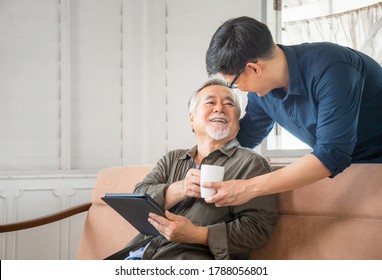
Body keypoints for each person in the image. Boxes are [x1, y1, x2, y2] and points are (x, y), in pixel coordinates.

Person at [204, 16, 382, 207]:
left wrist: (248, 188)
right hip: (350, 171)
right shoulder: (262, 94)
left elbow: (332, 153)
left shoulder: (332, 69)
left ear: (254, 69)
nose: (241, 89)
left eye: (235, 83)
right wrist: (201, 163)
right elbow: (245, 137)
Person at [106, 79, 278, 260]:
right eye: (210, 102)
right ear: (192, 118)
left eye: (229, 104)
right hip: (139, 254)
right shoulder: (172, 159)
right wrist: (179, 189)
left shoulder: (252, 164)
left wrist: (197, 234)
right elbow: (139, 197)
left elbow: (258, 230)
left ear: (237, 120)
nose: (220, 108)